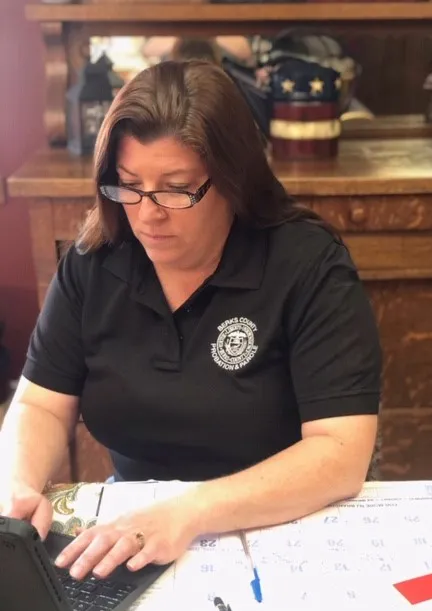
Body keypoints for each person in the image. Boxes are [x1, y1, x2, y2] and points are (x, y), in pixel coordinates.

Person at [0, 60, 381, 582]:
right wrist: (15, 484)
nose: (147, 214)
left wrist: (189, 513)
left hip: (279, 526)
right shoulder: (94, 263)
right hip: (134, 528)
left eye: (176, 189)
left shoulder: (306, 265)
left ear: (233, 180)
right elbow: (40, 403)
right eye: (128, 185)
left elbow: (340, 452)